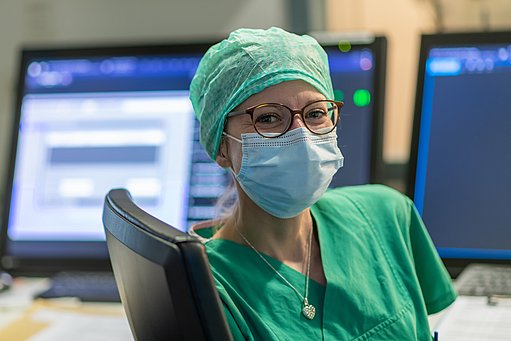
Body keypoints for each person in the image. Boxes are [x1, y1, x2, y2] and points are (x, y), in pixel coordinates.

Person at [189, 27, 456, 340]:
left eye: (315, 113)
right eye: (268, 118)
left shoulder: (387, 216)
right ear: (222, 146)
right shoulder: (211, 291)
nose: (301, 135)